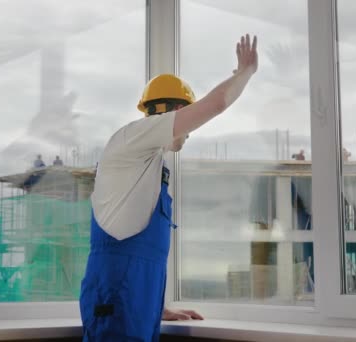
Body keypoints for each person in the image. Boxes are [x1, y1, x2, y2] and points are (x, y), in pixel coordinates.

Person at [79, 34, 258, 341]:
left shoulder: (148, 166)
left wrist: (155, 307)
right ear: (170, 110)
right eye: (185, 115)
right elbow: (215, 104)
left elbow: (140, 253)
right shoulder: (131, 138)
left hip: (135, 304)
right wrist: (245, 72)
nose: (187, 133)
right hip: (117, 301)